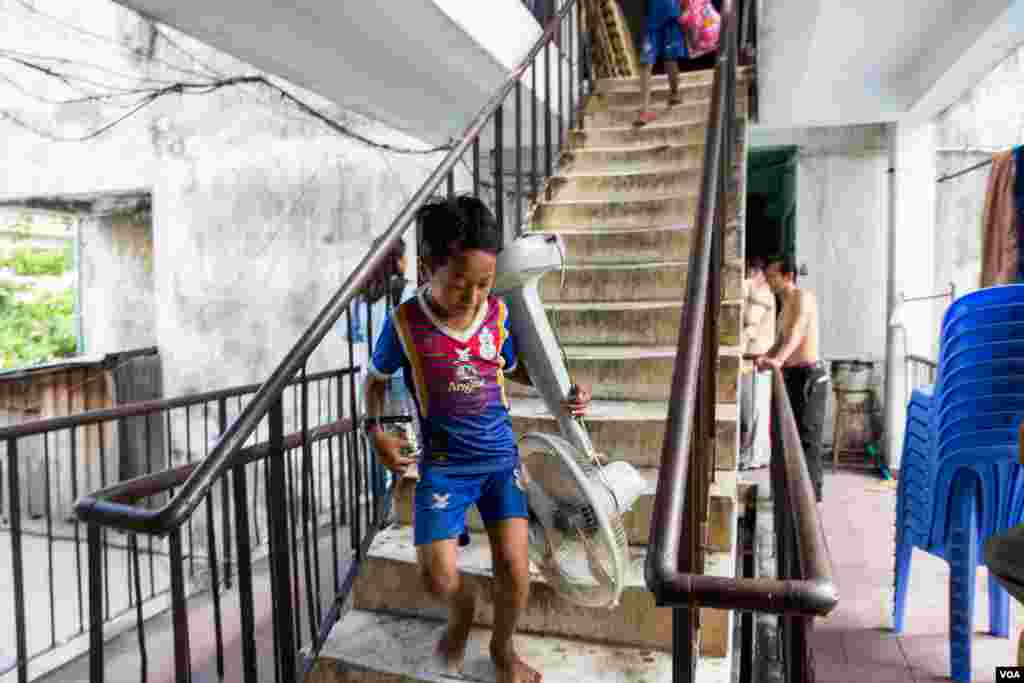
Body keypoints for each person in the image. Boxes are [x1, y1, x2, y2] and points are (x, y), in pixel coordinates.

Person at [363, 195, 592, 683]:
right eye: (459, 284)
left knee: (515, 569)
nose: (473, 297)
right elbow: (376, 381)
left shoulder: (495, 316)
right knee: (437, 575)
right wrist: (375, 431)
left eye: (484, 284)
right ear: (426, 269)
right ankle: (463, 608)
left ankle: (503, 650)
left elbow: (516, 367)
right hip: (444, 468)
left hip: (499, 462)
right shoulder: (404, 324)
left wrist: (564, 391)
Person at [755, 256, 828, 502]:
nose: (768, 281)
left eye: (772, 276)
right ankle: (792, 496)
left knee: (808, 440)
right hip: (791, 375)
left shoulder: (803, 297)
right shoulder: (784, 305)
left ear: (788, 276)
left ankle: (810, 500)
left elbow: (799, 330)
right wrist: (766, 357)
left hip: (810, 375)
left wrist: (778, 360)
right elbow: (780, 340)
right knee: (789, 436)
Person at [739, 256, 774, 470]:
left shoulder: (761, 292)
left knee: (752, 412)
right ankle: (755, 455)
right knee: (756, 411)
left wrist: (739, 348)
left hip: (755, 360)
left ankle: (751, 457)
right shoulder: (762, 292)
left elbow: (751, 325)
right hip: (757, 360)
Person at [634, 0, 686, 127]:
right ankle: (645, 110)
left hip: (671, 18)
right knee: (645, 63)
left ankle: (674, 92)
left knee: (670, 60)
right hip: (652, 21)